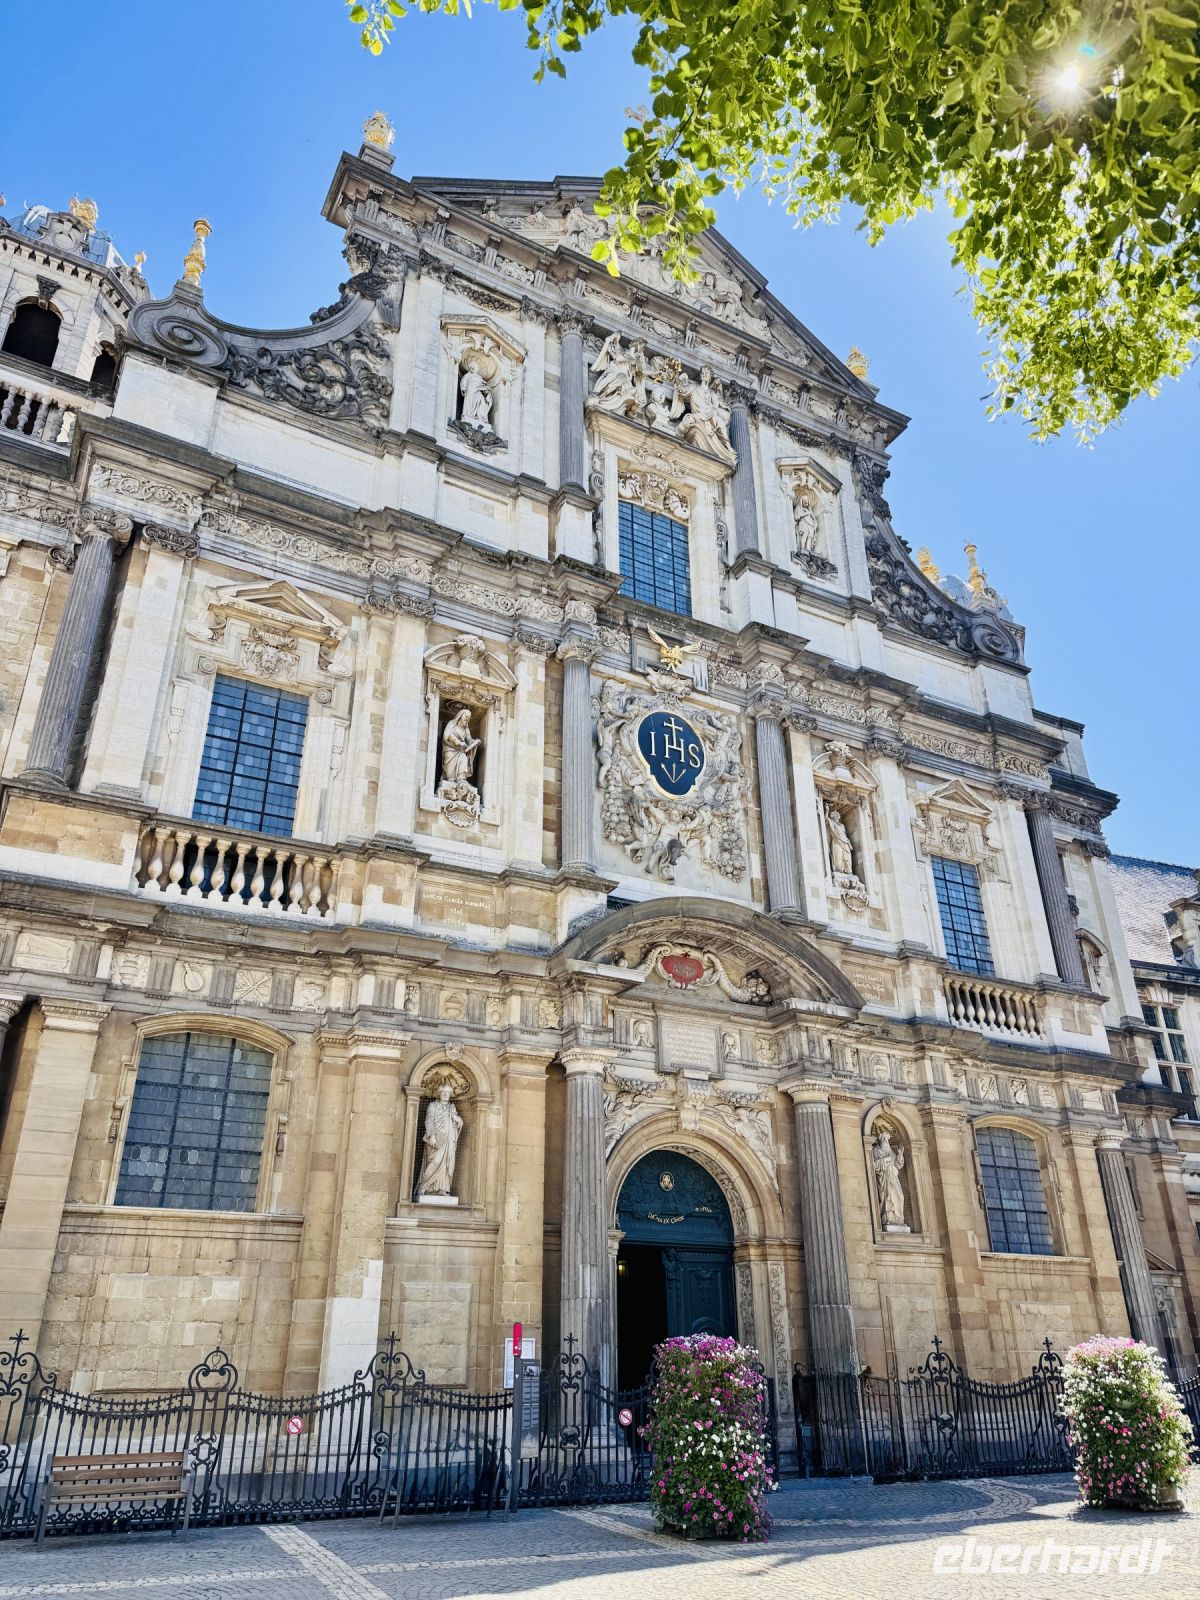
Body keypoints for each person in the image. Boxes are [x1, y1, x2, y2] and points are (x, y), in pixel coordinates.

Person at [417, 1084, 464, 1198]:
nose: (445, 1095)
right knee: (435, 1161)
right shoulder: (433, 1106)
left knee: (447, 1163)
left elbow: (457, 1121)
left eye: (447, 1093)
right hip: (437, 1139)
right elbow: (429, 1120)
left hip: (449, 1140)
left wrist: (458, 1120)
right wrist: (431, 1135)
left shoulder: (451, 1107)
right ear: (439, 1094)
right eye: (443, 1092)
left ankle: (442, 1189)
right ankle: (424, 1186)